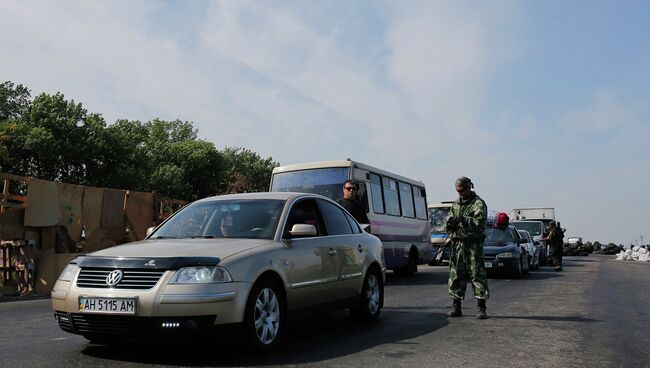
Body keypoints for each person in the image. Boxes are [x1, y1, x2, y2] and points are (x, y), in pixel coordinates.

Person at [445, 176, 489, 319]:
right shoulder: (455, 205)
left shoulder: (478, 203)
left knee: (477, 274)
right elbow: (448, 223)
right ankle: (456, 307)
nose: (459, 193)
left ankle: (481, 308)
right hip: (458, 244)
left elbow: (480, 222)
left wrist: (463, 219)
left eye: (462, 190)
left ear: (469, 187)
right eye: (457, 191)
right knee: (456, 274)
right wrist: (451, 225)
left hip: (473, 244)